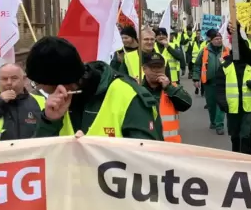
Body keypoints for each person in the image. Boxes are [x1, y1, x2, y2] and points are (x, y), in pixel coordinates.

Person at [26, 36, 161, 139]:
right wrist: (49, 121)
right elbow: (39, 160)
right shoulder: (55, 106)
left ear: (59, 83)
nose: (38, 88)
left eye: (38, 83)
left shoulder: (129, 96)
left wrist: (92, 151)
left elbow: (146, 163)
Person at [142, 51, 192, 143]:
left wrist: (168, 88)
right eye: (153, 67)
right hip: (146, 144)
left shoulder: (172, 87)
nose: (157, 71)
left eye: (160, 67)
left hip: (170, 145)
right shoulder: (137, 88)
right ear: (144, 69)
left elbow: (186, 104)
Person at [217, 45, 251, 154]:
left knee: (246, 134)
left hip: (248, 106)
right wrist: (222, 102)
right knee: (234, 134)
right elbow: (220, 87)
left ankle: (247, 156)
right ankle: (235, 155)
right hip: (232, 106)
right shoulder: (225, 66)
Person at [193, 29, 228, 134]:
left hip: (223, 83)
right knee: (211, 105)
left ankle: (219, 125)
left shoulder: (226, 50)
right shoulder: (204, 51)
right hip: (209, 83)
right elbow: (197, 65)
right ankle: (213, 121)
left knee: (221, 104)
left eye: (220, 39)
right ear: (211, 40)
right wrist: (196, 78)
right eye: (216, 39)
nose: (218, 41)